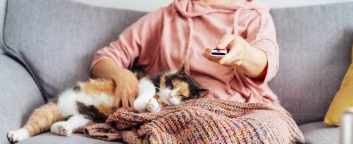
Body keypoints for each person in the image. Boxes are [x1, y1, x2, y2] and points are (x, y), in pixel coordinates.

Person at [91, 0, 280, 110]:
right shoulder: (164, 19)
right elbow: (103, 59)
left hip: (244, 110)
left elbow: (265, 62)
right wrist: (121, 75)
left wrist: (244, 54)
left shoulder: (255, 17)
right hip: (179, 114)